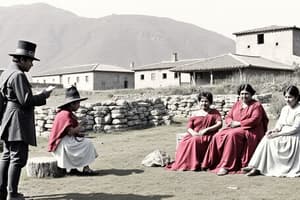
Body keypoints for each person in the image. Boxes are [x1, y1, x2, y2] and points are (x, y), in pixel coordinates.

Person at [0, 40, 52, 200]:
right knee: (17, 157)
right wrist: (44, 94)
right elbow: (26, 100)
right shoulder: (18, 75)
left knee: (7, 155)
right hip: (18, 120)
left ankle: (2, 192)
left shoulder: (7, 72)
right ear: (22, 59)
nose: (31, 64)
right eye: (30, 60)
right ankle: (12, 194)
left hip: (8, 117)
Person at [201, 84, 268, 175]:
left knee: (232, 135)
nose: (244, 96)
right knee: (218, 135)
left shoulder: (256, 105)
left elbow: (255, 120)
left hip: (251, 129)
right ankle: (212, 163)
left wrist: (239, 123)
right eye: (242, 94)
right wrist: (230, 122)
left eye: (246, 93)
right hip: (234, 127)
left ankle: (226, 166)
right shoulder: (237, 104)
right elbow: (228, 116)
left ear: (251, 94)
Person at [244, 85, 300, 177]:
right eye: (285, 97)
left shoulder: (299, 110)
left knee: (271, 140)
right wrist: (274, 130)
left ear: (297, 97)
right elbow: (280, 123)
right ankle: (255, 167)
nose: (287, 100)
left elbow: (295, 129)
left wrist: (278, 134)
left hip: (294, 136)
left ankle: (258, 167)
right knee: (266, 138)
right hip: (282, 134)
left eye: (290, 97)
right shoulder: (285, 109)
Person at [48, 86, 98, 176]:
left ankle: (73, 168)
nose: (79, 105)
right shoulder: (65, 114)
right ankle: (85, 168)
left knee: (84, 142)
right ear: (72, 104)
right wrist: (81, 124)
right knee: (87, 143)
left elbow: (70, 132)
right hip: (61, 143)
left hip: (64, 141)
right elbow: (70, 132)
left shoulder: (67, 113)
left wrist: (79, 133)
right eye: (78, 103)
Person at [166, 92, 222, 171]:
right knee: (183, 143)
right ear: (199, 102)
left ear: (210, 102)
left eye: (206, 101)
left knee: (195, 141)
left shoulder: (215, 112)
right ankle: (184, 164)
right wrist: (193, 133)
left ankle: (194, 164)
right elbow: (189, 127)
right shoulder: (195, 113)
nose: (204, 103)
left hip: (208, 135)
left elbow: (219, 124)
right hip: (194, 134)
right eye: (202, 101)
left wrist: (207, 129)